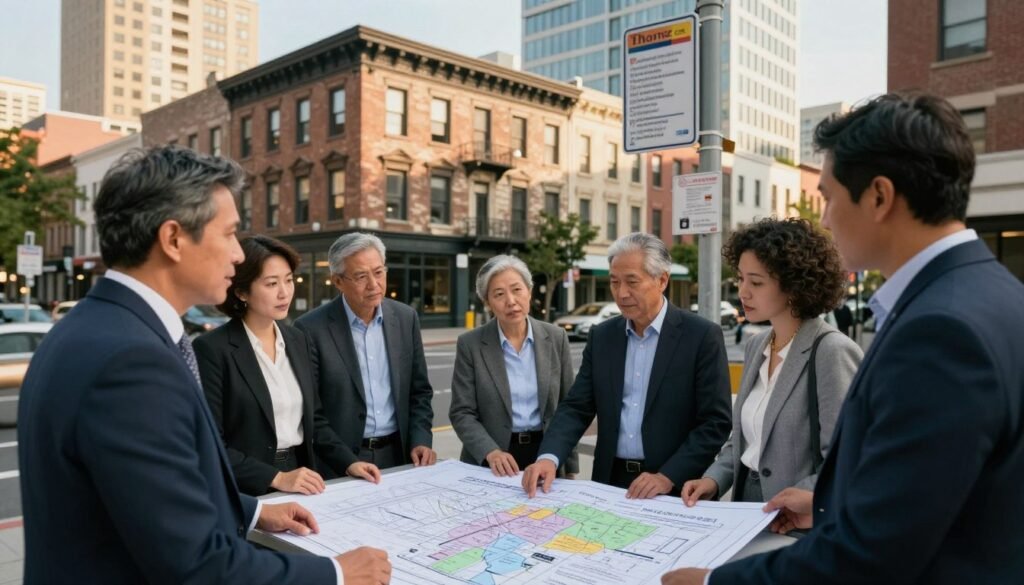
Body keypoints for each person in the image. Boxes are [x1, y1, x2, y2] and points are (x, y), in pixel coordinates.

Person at [662, 93, 1024, 584]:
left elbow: (872, 553)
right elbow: (926, 492)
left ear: (878, 196)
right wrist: (826, 503)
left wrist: (709, 583)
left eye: (829, 196)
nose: (826, 218)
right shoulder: (996, 295)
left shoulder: (939, 331)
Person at [17, 146, 390, 584]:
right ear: (173, 239)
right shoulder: (130, 361)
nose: (237, 254)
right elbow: (195, 564)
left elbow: (152, 494)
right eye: (229, 234)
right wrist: (337, 574)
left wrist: (251, 512)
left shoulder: (99, 325)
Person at [522, 232, 732, 499]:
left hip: (676, 488)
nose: (621, 293)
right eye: (614, 282)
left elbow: (715, 422)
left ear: (662, 280)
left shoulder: (701, 336)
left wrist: (667, 477)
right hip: (610, 480)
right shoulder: (603, 337)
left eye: (632, 281)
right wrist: (549, 457)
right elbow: (576, 408)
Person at [681, 218, 862, 507]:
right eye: (740, 278)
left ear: (793, 286)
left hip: (798, 517)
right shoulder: (757, 345)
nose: (743, 292)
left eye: (756, 282)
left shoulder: (832, 351)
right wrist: (713, 479)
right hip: (745, 507)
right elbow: (745, 439)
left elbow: (845, 457)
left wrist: (799, 502)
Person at [193, 235, 382, 496]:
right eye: (272, 283)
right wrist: (277, 477)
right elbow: (211, 442)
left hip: (302, 476)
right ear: (241, 291)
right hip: (246, 486)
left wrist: (349, 462)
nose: (285, 292)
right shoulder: (213, 349)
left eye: (289, 280)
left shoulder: (297, 339)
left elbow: (315, 421)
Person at [296, 232, 436, 471]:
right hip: (341, 463)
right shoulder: (310, 329)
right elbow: (312, 414)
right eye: (361, 276)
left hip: (400, 455)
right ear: (338, 281)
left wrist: (420, 440)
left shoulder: (405, 318)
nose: (374, 284)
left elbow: (419, 392)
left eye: (379, 272)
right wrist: (348, 462)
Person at [449, 255, 579, 477]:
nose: (511, 301)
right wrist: (490, 452)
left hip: (545, 456)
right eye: (499, 294)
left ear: (529, 291)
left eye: (517, 289)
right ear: (488, 302)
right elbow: (462, 412)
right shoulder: (470, 344)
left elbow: (569, 407)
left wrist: (570, 467)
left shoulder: (556, 337)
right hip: (492, 460)